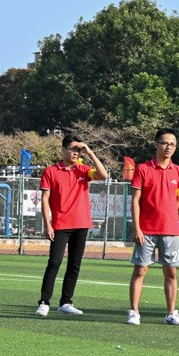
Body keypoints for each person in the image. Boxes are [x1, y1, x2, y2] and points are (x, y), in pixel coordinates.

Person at [35, 135, 108, 317]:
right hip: (60, 224)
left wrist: (89, 152)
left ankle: (66, 302)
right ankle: (44, 302)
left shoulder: (83, 170)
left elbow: (103, 175)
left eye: (79, 149)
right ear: (63, 150)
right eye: (72, 148)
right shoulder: (51, 171)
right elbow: (45, 200)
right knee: (55, 262)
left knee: (75, 264)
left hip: (82, 223)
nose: (76, 152)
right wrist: (48, 223)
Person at [129, 128, 179, 326]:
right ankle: (134, 312)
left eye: (172, 144)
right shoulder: (143, 169)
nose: (168, 147)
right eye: (164, 143)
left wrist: (166, 211)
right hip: (146, 229)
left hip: (171, 230)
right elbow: (135, 200)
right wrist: (137, 228)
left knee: (171, 272)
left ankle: (171, 313)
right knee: (140, 270)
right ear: (155, 144)